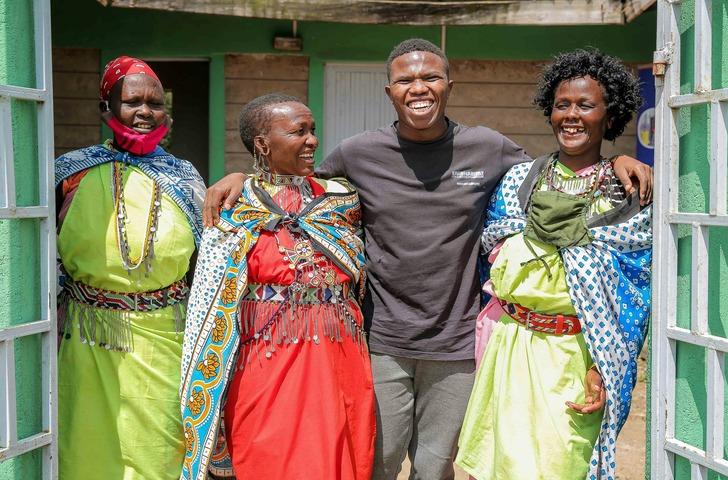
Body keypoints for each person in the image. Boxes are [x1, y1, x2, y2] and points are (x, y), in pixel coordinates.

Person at [204, 39, 652, 480]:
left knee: (435, 469)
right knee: (375, 464)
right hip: (381, 342)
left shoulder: (489, 148)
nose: (419, 87)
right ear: (390, 92)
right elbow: (294, 185)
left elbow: (559, 168)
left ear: (449, 85)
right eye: (406, 79)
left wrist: (615, 160)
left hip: (456, 347)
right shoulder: (357, 153)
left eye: (430, 76)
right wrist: (243, 176)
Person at [455, 49, 651, 480]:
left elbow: (635, 291)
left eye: (586, 105)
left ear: (610, 114)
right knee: (497, 464)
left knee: (563, 463)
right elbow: (491, 253)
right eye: (562, 104)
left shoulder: (625, 194)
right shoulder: (519, 180)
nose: (572, 116)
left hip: (576, 353)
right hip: (508, 346)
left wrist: (604, 365)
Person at [179, 94, 375, 480]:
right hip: (265, 353)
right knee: (269, 452)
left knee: (339, 453)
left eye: (313, 130)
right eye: (298, 131)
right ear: (262, 144)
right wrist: (243, 178)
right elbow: (211, 296)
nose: (313, 140)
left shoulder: (342, 199)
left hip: (339, 350)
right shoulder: (233, 204)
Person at [55, 56, 205, 480]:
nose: (144, 112)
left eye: (155, 103)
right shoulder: (71, 173)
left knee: (158, 451)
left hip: (164, 337)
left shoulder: (184, 177)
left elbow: (207, 260)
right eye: (132, 101)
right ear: (107, 108)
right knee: (84, 447)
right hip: (87, 336)